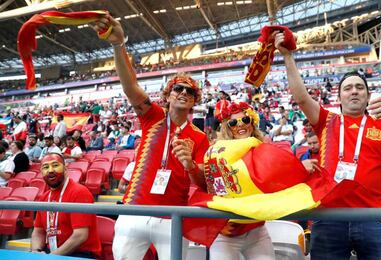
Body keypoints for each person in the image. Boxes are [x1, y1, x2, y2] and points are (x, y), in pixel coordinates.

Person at [274, 32, 381, 260]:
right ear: (339, 97)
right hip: (330, 217)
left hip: (377, 218)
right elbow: (301, 98)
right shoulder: (327, 121)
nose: (354, 91)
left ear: (368, 96)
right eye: (348, 88)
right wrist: (288, 57)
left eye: (360, 87)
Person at [93, 14, 210, 260]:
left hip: (173, 216)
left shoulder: (200, 137)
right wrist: (118, 44)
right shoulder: (153, 117)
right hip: (134, 210)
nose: (184, 93)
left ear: (194, 101)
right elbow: (130, 87)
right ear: (168, 95)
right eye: (178, 88)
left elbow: (203, 184)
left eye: (190, 91)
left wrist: (191, 165)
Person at [207, 102, 275, 260]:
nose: (240, 125)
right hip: (226, 233)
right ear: (227, 127)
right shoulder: (216, 152)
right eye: (233, 123)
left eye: (245, 120)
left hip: (257, 229)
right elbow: (214, 190)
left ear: (251, 122)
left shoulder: (263, 148)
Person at [31, 153, 101, 258]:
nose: (50, 170)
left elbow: (80, 235)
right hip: (52, 252)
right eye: (45, 167)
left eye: (55, 165)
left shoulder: (79, 192)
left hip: (80, 253)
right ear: (41, 172)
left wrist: (50, 257)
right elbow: (38, 232)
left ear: (65, 168)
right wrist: (36, 251)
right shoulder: (44, 198)